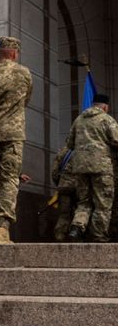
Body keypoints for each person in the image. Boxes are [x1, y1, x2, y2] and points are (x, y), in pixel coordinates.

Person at [0, 36, 33, 244]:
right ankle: (2, 229)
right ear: (14, 53)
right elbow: (26, 100)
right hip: (12, 133)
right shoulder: (24, 73)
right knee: (9, 179)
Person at [67, 94, 118, 242]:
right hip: (101, 168)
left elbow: (69, 144)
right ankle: (98, 235)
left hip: (80, 167)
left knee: (84, 201)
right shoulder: (107, 120)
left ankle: (76, 228)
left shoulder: (78, 120)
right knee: (103, 202)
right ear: (105, 107)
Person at [51, 146, 77, 242]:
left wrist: (59, 184)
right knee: (80, 211)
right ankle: (76, 235)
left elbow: (54, 172)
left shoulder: (63, 151)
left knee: (64, 213)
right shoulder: (84, 149)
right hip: (80, 187)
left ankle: (60, 235)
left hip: (64, 187)